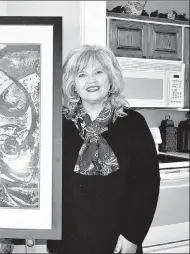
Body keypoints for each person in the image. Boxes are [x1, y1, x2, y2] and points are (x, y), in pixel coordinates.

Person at [47, 45, 161, 254]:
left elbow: (147, 185)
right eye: (82, 75)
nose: (91, 81)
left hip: (118, 241)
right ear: (73, 84)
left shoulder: (133, 124)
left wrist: (132, 235)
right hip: (68, 241)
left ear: (111, 79)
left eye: (98, 72)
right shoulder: (58, 125)